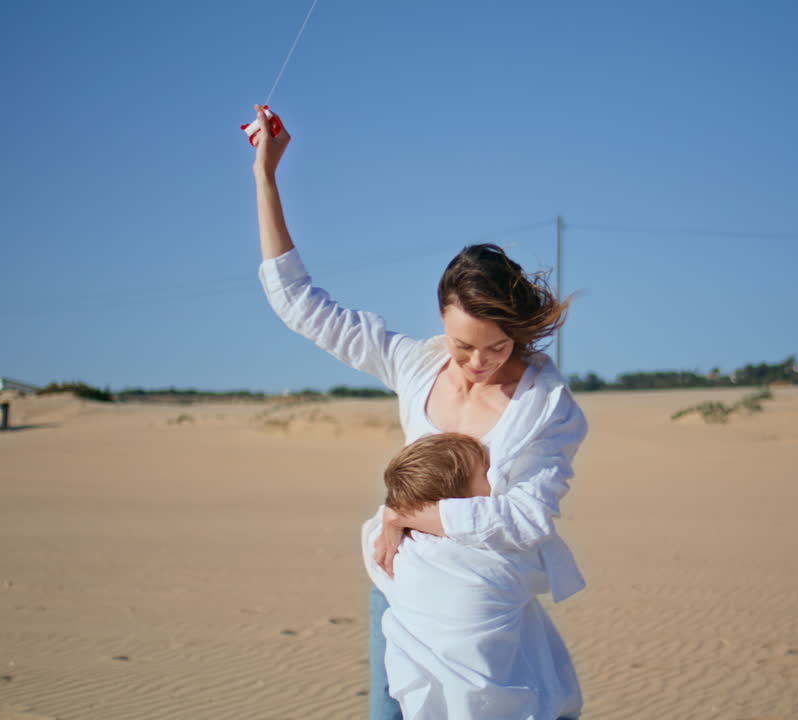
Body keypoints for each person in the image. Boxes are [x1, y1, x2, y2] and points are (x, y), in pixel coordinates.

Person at [250, 107, 589, 720]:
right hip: (402, 584)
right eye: (463, 347)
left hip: (484, 610)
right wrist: (266, 176)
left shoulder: (548, 409)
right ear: (441, 324)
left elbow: (527, 518)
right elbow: (299, 303)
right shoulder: (412, 364)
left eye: (498, 346)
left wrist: (411, 513)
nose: (480, 363)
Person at [363, 432, 581, 719]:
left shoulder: (388, 552)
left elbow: (378, 521)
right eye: (485, 473)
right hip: (511, 707)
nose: (497, 479)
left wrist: (401, 514)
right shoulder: (494, 561)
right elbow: (538, 549)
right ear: (457, 503)